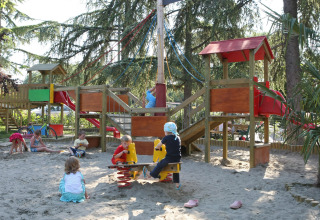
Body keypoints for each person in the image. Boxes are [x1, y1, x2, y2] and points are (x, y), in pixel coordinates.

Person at [145, 122, 181, 189]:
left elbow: (159, 145)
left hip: (170, 157)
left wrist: (157, 148)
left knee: (160, 164)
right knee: (176, 170)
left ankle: (152, 174)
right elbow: (174, 146)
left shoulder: (166, 138)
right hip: (178, 158)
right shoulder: (177, 137)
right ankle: (177, 183)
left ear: (166, 131)